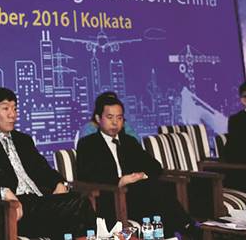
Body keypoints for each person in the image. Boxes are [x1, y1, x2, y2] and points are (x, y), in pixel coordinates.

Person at [0, 87, 95, 239]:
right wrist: (3, 192)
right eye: (5, 108)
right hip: (14, 207)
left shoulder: (23, 140)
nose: (12, 114)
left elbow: (42, 168)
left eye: (15, 108)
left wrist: (58, 183)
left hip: (38, 201)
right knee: (79, 203)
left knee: (77, 204)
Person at [76, 92, 199, 239]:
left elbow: (155, 166)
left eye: (119, 118)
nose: (115, 123)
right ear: (98, 119)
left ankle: (179, 230)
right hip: (107, 197)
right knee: (155, 193)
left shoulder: (129, 142)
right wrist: (121, 180)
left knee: (157, 186)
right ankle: (186, 227)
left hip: (133, 195)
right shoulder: (88, 144)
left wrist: (140, 176)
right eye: (110, 117)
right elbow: (86, 175)